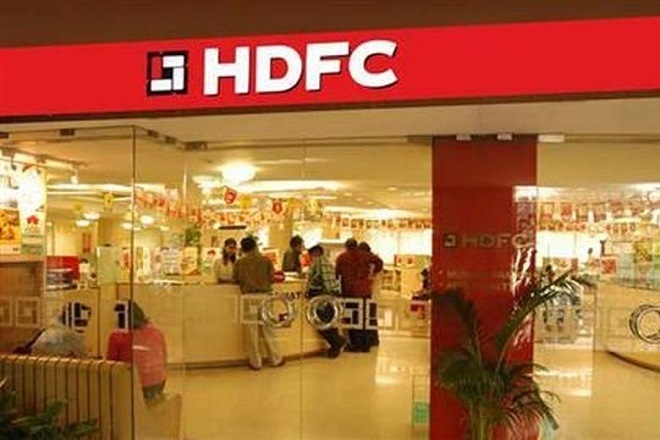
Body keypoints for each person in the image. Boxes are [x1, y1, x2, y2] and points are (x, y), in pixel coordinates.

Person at [233, 236, 285, 370]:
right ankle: (275, 359)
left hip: (249, 298)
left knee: (251, 331)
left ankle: (255, 362)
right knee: (269, 329)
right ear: (255, 246)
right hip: (265, 297)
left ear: (243, 249)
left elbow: (235, 279)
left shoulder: (240, 263)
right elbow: (272, 278)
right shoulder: (266, 260)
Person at [106, 301, 167, 401]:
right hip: (159, 383)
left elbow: (111, 366)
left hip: (135, 386)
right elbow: (164, 358)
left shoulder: (117, 337)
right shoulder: (157, 333)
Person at [307, 245, 347, 358]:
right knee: (328, 322)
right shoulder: (326, 262)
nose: (311, 258)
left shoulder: (320, 262)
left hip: (323, 296)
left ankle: (338, 342)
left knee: (321, 323)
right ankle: (336, 345)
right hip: (329, 296)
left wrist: (325, 297)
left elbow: (324, 279)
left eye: (311, 255)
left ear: (316, 253)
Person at [335, 238, 373, 352]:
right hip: (365, 292)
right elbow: (379, 262)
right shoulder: (365, 255)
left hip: (350, 292)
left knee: (352, 319)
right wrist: (369, 273)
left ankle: (356, 345)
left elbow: (336, 274)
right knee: (365, 319)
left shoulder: (342, 257)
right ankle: (366, 345)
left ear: (346, 246)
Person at [358, 242, 384, 347]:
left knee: (368, 317)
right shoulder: (376, 261)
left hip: (369, 293)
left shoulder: (371, 263)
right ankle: (374, 340)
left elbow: (369, 278)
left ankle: (370, 340)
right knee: (371, 317)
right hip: (373, 293)